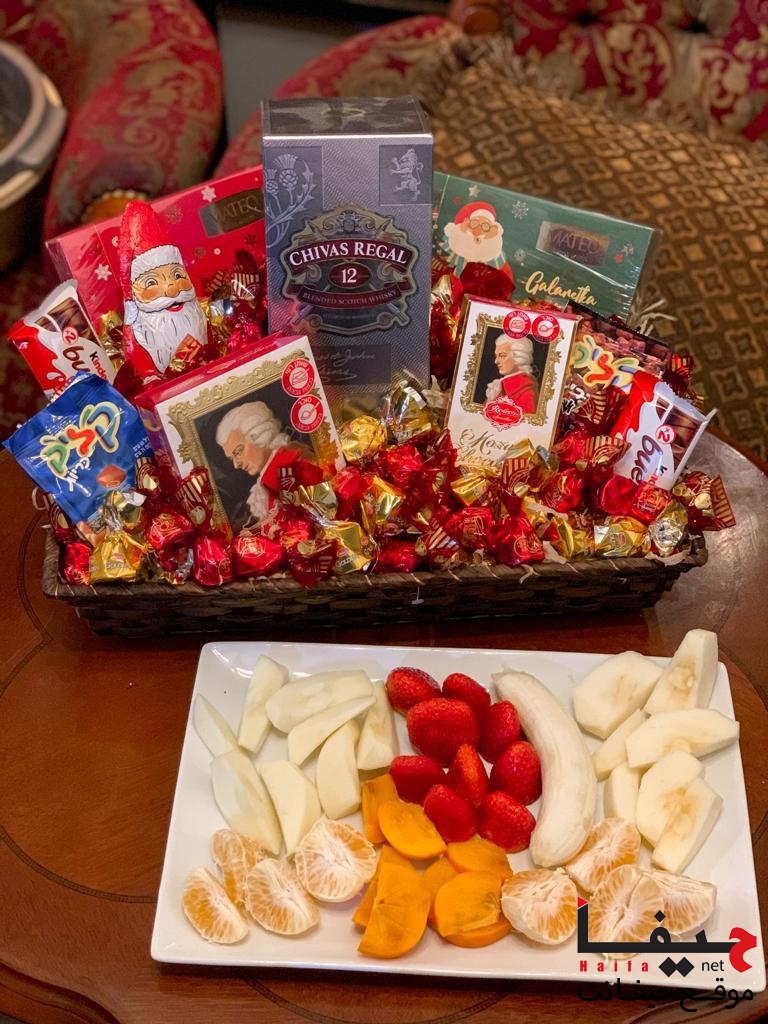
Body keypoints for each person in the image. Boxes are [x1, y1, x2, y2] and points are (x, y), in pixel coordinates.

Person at [119, 199, 209, 380]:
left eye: (177, 275)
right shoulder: (138, 330)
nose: (173, 290)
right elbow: (136, 361)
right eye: (152, 282)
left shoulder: (197, 312)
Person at [215, 400, 295, 526]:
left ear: (259, 434)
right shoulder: (268, 477)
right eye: (232, 458)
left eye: (239, 451)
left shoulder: (292, 461)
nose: (236, 465)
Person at [442, 200, 513, 282]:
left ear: (494, 230)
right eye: (474, 223)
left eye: (485, 226)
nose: (478, 230)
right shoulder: (449, 253)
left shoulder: (496, 262)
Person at [485, 335, 539, 413]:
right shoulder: (499, 386)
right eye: (496, 356)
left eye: (502, 356)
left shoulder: (527, 391)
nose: (496, 361)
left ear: (518, 357)